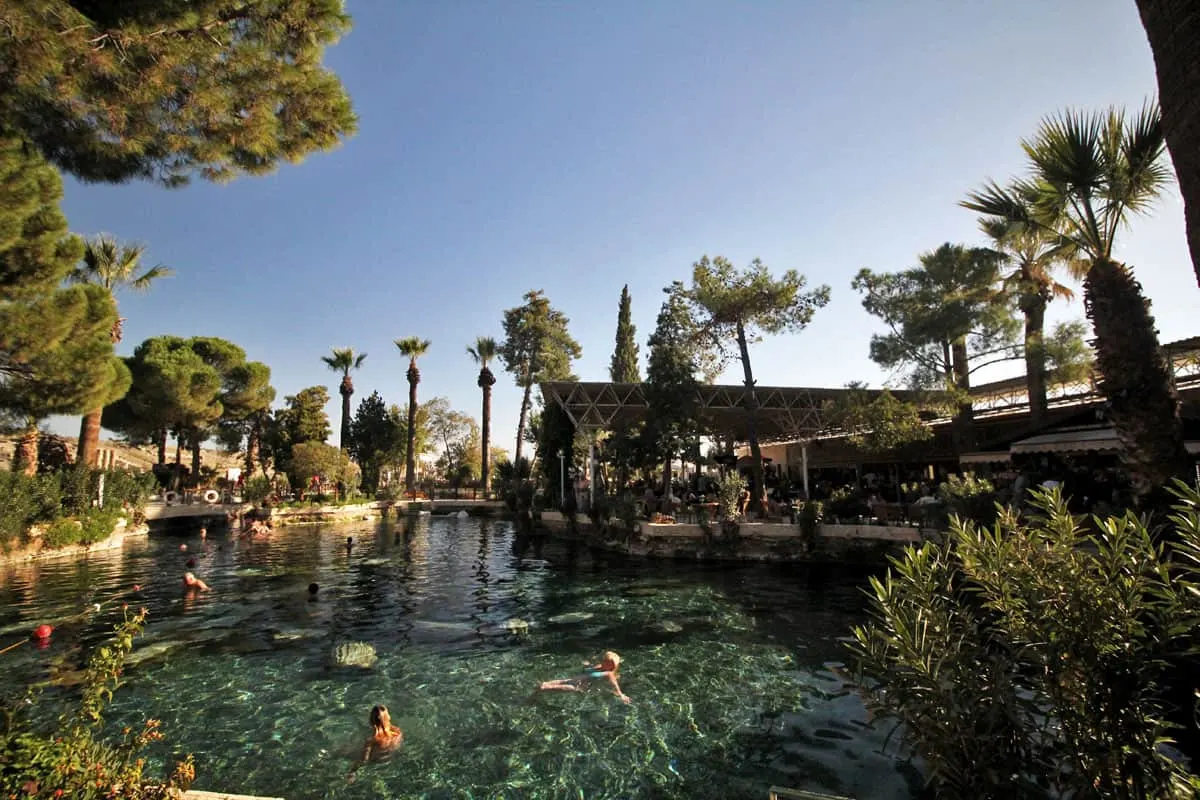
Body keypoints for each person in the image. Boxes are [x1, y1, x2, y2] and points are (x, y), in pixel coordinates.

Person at [536, 651, 631, 704]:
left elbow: (589, 667)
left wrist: (587, 665)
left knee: (564, 681)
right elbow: (614, 685)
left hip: (577, 678)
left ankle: (546, 684)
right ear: (614, 666)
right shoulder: (609, 674)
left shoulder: (598, 666)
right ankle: (545, 687)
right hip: (582, 684)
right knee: (572, 688)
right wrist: (621, 695)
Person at [349, 705, 403, 781]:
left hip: (376, 762)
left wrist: (353, 772)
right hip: (391, 758)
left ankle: (329, 755)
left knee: (345, 751)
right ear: (388, 717)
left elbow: (364, 760)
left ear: (371, 721)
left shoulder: (372, 740)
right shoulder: (397, 732)